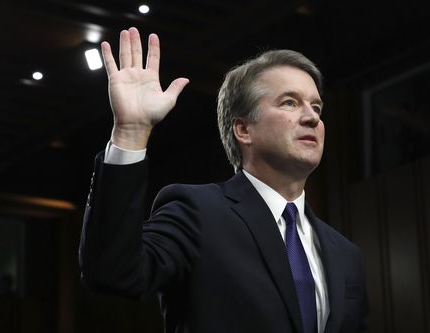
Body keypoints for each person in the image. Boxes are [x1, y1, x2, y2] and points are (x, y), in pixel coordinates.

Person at [79, 27, 369, 333]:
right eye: (289, 103)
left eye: (317, 106)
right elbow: (111, 273)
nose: (312, 117)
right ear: (243, 130)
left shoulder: (345, 254)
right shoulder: (197, 212)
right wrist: (131, 132)